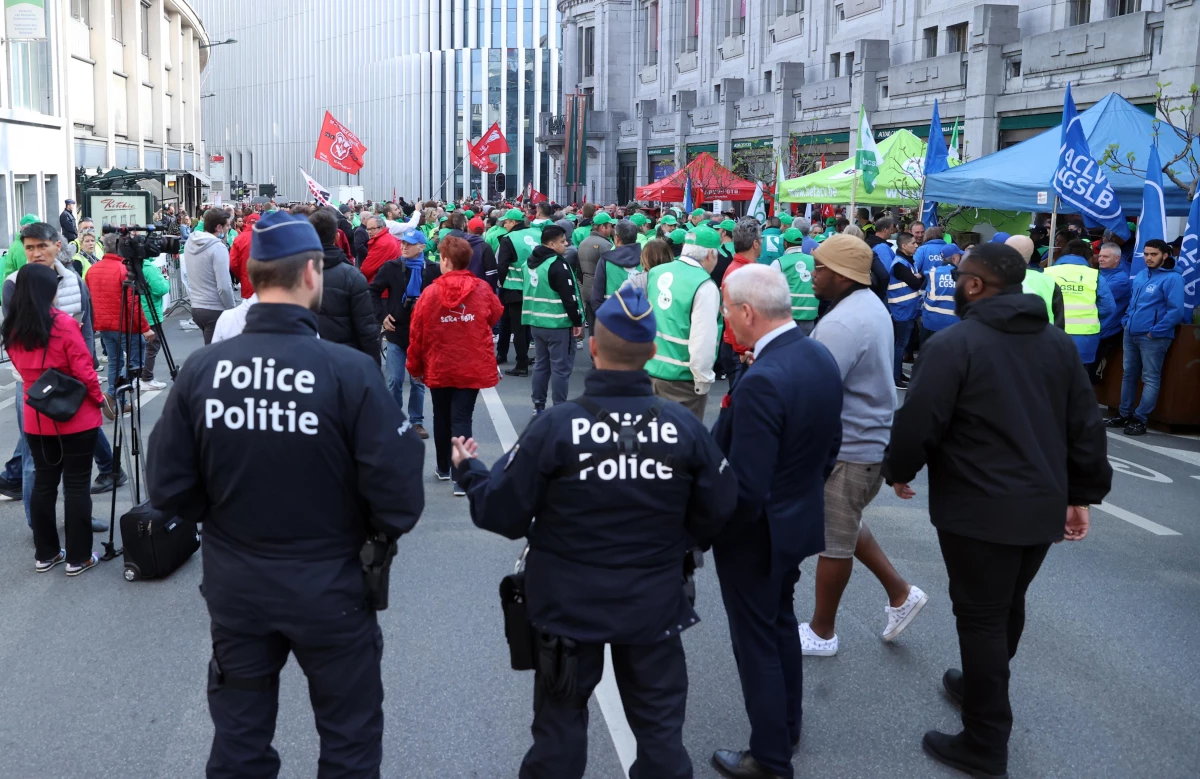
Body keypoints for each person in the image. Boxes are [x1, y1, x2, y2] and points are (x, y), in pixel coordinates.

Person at [146, 210, 425, 778]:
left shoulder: (204, 370)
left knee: (240, 738)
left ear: (252, 274)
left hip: (238, 582)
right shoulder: (348, 371)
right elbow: (400, 498)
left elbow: (167, 487)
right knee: (348, 741)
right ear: (312, 274)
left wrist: (223, 516)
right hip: (333, 583)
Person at [450, 284, 736, 779]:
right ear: (650, 353)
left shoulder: (557, 425)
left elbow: (502, 512)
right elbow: (719, 507)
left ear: (595, 349)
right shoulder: (682, 427)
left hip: (566, 607)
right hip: (653, 603)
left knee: (559, 734)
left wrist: (470, 472)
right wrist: (676, 543)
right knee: (661, 735)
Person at [883, 242, 1111, 779]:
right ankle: (981, 682)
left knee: (983, 618)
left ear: (977, 285)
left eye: (961, 276)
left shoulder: (955, 345)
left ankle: (985, 742)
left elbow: (920, 418)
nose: (956, 282)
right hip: (1039, 506)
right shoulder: (1057, 345)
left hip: (979, 510)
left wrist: (899, 468)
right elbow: (1086, 429)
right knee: (1006, 606)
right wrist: (1080, 495)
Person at [710, 263, 843, 779]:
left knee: (756, 642)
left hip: (756, 533)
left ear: (746, 312)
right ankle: (786, 725)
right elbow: (830, 446)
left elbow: (745, 484)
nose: (726, 317)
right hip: (795, 519)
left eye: (727, 308)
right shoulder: (817, 355)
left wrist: (713, 527)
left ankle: (769, 757)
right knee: (780, 623)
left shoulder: (766, 377)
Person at [796, 234, 927, 658]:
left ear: (840, 275)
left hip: (849, 446)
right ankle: (900, 593)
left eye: (818, 268)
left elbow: (813, 389)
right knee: (844, 523)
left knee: (833, 541)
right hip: (864, 441)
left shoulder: (842, 322)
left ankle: (822, 632)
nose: (811, 275)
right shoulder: (867, 305)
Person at [5, 263, 105, 576]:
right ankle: (79, 556)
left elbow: (23, 372)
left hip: (37, 415)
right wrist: (100, 399)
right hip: (75, 414)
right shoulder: (62, 324)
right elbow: (83, 368)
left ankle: (46, 553)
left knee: (45, 484)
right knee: (76, 486)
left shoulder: (11, 327)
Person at [406, 236, 502, 493]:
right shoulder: (482, 289)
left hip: (439, 363)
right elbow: (495, 313)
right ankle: (462, 475)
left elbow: (417, 334)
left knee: (441, 415)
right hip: (471, 362)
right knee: (462, 418)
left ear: (446, 261)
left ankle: (444, 467)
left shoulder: (430, 294)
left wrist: (414, 367)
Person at [1107, 238, 1188, 436]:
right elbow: (1133, 303)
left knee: (1150, 377)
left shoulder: (1173, 279)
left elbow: (1176, 311)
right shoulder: (1143, 274)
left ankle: (1140, 418)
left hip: (1153, 337)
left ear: (1165, 255)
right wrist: (1126, 321)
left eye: (1154, 254)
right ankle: (1124, 413)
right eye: (1146, 254)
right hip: (1131, 332)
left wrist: (1156, 331)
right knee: (1128, 374)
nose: (1149, 258)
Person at [645, 226, 721, 420]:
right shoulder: (705, 285)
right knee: (682, 442)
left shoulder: (656, 272)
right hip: (681, 379)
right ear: (711, 254)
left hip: (650, 370)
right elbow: (703, 338)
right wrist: (702, 380)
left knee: (652, 437)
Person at [305, 207, 380, 363]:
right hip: (344, 359)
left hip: (307, 360)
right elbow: (366, 328)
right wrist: (373, 367)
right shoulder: (353, 276)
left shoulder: (293, 274)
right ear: (337, 236)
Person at [86, 233, 156, 400]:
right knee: (136, 363)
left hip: (104, 325)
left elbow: (90, 297)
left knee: (114, 363)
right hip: (125, 325)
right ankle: (113, 394)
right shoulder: (124, 270)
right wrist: (146, 329)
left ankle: (118, 400)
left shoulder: (92, 270)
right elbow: (134, 304)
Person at [522, 224, 583, 415]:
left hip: (536, 322)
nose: (566, 244)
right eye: (562, 241)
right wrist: (577, 321)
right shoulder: (558, 264)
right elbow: (569, 297)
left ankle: (538, 405)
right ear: (551, 244)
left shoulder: (529, 263)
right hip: (558, 323)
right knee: (560, 369)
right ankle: (559, 408)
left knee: (541, 365)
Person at [1044, 239, 1115, 369]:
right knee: (1079, 383)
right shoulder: (1094, 275)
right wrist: (1090, 315)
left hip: (1051, 336)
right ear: (1087, 256)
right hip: (1084, 338)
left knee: (1051, 382)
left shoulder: (1047, 273)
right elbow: (1109, 307)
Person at [718, 220, 763, 391]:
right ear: (755, 243)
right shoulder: (740, 272)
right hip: (740, 349)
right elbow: (733, 315)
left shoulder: (743, 268)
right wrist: (743, 350)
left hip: (740, 347)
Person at [496, 211, 541, 376]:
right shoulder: (538, 233)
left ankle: (521, 363)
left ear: (513, 222)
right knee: (528, 323)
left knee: (517, 327)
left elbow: (502, 266)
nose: (504, 226)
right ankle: (525, 357)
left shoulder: (509, 239)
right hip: (537, 286)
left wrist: (502, 282)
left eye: (506, 222)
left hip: (515, 289)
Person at [184, 209, 237, 344]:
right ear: (219, 227)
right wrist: (233, 311)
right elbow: (224, 287)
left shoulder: (190, 242)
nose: (229, 228)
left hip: (197, 306)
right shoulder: (218, 248)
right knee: (217, 357)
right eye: (227, 225)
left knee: (212, 354)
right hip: (214, 309)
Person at [886, 226, 923, 389]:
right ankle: (895, 377)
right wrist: (921, 277)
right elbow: (915, 283)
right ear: (904, 246)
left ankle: (898, 374)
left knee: (902, 343)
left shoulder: (907, 261)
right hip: (901, 311)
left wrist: (919, 276)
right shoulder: (900, 264)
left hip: (907, 310)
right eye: (913, 243)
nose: (916, 245)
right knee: (900, 344)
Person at [1092, 242, 1132, 383]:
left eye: (1106, 257)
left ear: (1117, 259)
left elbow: (1094, 298)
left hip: (1106, 332)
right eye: (1100, 256)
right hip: (1095, 329)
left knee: (1092, 375)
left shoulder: (1121, 279)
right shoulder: (1097, 274)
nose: (1101, 259)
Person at [590, 219, 643, 312]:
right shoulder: (646, 259)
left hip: (612, 317)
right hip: (640, 318)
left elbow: (596, 296)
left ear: (617, 238)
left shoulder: (605, 261)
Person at [137, 250, 172, 391]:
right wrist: (166, 281)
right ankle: (147, 377)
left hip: (136, 312)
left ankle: (140, 376)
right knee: (152, 347)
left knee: (138, 348)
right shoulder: (149, 268)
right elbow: (160, 289)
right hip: (150, 314)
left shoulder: (131, 266)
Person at [576, 212, 615, 329]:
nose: (612, 229)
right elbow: (610, 269)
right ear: (602, 227)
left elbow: (578, 268)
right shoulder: (605, 245)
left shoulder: (583, 243)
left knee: (593, 326)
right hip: (600, 290)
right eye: (610, 226)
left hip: (587, 288)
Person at [920, 234, 962, 342]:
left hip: (931, 322)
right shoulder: (962, 275)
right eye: (960, 256)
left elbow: (922, 293)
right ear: (955, 258)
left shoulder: (931, 272)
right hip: (953, 323)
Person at [779, 227, 817, 334]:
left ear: (785, 244)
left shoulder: (779, 263)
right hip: (810, 316)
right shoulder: (814, 261)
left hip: (787, 318)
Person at [360, 214, 402, 284]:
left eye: (373, 229)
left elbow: (367, 269)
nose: (370, 232)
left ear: (382, 228)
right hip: (389, 283)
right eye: (368, 229)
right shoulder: (389, 237)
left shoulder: (381, 243)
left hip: (380, 286)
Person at [228, 212, 260, 299]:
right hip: (265, 285)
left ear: (247, 223)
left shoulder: (239, 238)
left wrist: (242, 275)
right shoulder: (268, 237)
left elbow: (233, 263)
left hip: (247, 282)